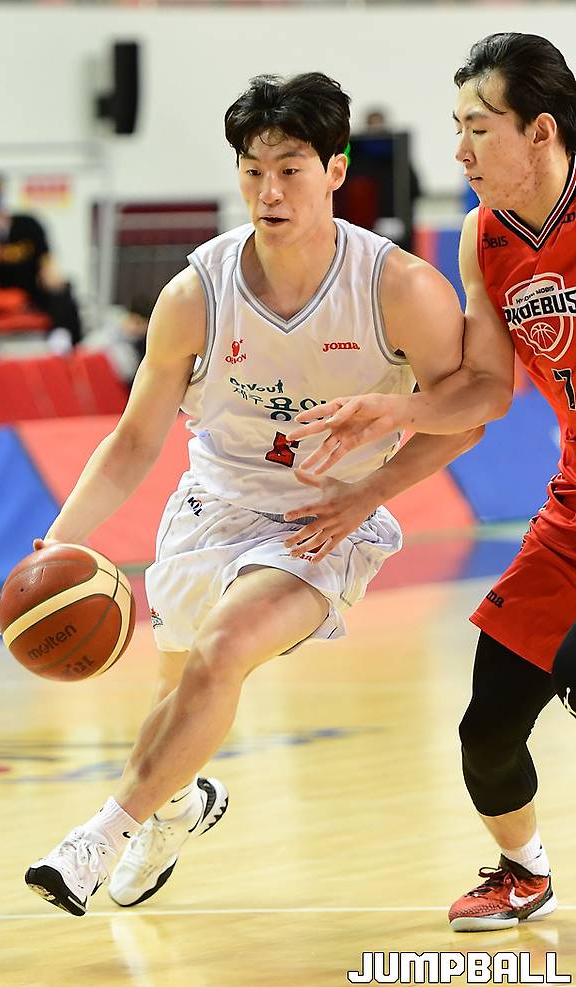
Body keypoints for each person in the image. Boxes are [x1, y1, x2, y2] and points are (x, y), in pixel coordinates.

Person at [23, 71, 492, 918]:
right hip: (210, 508)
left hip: (323, 521)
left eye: (290, 169)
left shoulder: (398, 288)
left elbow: (464, 417)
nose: (269, 191)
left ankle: (95, 839)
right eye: (252, 171)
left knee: (225, 647)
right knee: (179, 697)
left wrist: (370, 491)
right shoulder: (194, 294)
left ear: (336, 171)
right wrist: (59, 540)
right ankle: (177, 808)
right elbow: (134, 441)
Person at [287, 33, 576, 932]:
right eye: (457, 127)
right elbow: (486, 390)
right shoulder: (484, 237)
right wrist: (393, 411)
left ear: (540, 131)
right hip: (572, 511)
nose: (459, 150)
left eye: (478, 128)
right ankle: (523, 872)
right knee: (487, 728)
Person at [0, 173, 82, 347]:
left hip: (32, 283)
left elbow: (44, 254)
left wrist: (49, 271)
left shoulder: (27, 223)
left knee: (61, 288)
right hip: (0, 286)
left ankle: (64, 337)